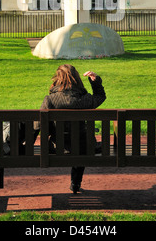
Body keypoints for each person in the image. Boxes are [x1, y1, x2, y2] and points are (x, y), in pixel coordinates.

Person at [35, 64, 106, 193]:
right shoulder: (84, 99)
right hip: (84, 147)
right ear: (77, 79)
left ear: (57, 79)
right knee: (82, 143)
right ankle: (76, 182)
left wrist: (26, 144)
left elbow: (38, 125)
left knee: (77, 143)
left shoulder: (50, 100)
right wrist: (95, 82)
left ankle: (75, 182)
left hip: (58, 147)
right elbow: (100, 97)